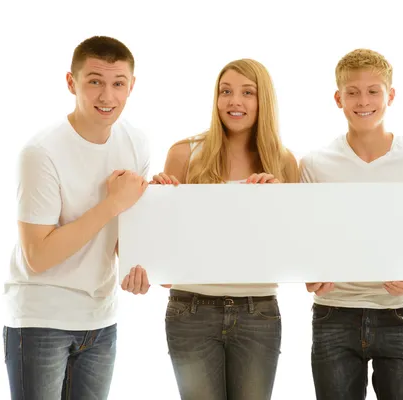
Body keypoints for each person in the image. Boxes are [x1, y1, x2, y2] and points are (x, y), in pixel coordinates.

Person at [122, 58, 299, 400]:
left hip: (258, 310)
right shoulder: (185, 153)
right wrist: (158, 200)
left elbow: (292, 246)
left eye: (248, 92)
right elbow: (166, 256)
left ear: (264, 101)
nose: (235, 101)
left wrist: (278, 201)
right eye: (226, 91)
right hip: (190, 310)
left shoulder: (284, 161)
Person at [300, 48, 403, 400]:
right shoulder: (315, 163)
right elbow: (306, 236)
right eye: (353, 92)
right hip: (333, 315)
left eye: (374, 90)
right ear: (338, 98)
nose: (363, 101)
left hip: (398, 314)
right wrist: (310, 273)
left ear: (391, 95)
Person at [2, 36, 150, 400]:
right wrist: (111, 204)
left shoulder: (136, 142)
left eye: (118, 84)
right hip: (41, 319)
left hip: (100, 319)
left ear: (132, 86)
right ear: (72, 82)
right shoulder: (41, 152)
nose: (107, 96)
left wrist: (142, 267)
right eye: (95, 81)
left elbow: (124, 236)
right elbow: (38, 256)